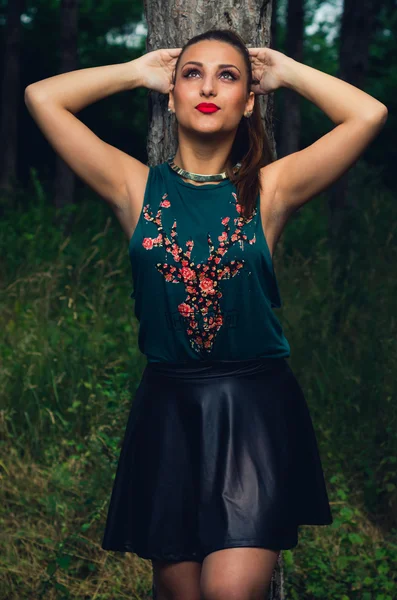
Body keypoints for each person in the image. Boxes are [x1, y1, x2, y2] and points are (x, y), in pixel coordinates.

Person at [25, 27, 387, 600]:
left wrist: (285, 70)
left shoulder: (270, 189)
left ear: (249, 100)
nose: (208, 87)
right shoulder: (134, 188)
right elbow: (42, 97)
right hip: (168, 410)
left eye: (228, 75)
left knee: (229, 592)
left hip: (253, 410)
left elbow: (368, 115)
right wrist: (136, 72)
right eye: (192, 74)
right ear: (172, 96)